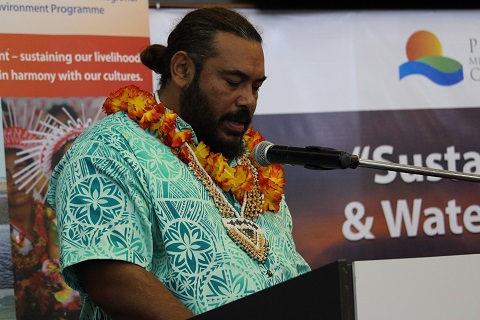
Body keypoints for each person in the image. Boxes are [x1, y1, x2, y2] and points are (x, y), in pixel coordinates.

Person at [47, 7, 310, 319]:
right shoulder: (109, 149)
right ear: (183, 69)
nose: (248, 100)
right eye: (232, 81)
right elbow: (112, 278)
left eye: (255, 86)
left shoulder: (251, 162)